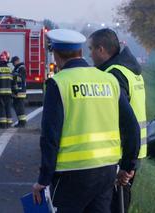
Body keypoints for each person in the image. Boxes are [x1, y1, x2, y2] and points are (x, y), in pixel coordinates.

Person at [32, 29, 141, 213]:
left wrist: (43, 180)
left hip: (71, 175)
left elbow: (50, 137)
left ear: (56, 55)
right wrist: (128, 166)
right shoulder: (109, 80)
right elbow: (132, 127)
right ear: (81, 53)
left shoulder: (58, 83)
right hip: (106, 172)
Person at [89, 28, 147, 213]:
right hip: (133, 149)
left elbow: (118, 116)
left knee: (115, 203)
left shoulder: (113, 75)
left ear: (101, 49)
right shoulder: (130, 69)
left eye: (91, 49)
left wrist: (125, 163)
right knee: (121, 200)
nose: (90, 54)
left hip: (120, 151)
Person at [0, 51, 15, 128]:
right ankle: (9, 123)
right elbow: (13, 81)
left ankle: (2, 124)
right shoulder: (9, 69)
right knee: (8, 107)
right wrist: (15, 90)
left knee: (0, 107)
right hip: (8, 92)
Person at [11, 56, 27, 128]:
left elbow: (19, 79)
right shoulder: (18, 68)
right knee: (17, 105)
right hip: (17, 91)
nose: (13, 64)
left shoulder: (21, 68)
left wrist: (16, 90)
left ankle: (22, 122)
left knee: (19, 107)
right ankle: (21, 121)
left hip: (20, 91)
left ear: (17, 61)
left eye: (13, 62)